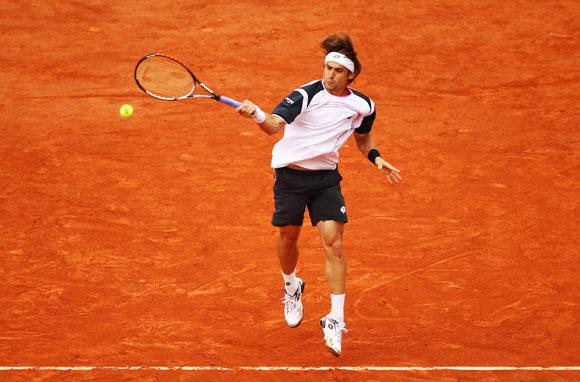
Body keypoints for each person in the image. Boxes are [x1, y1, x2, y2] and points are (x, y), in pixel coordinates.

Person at [237, 33, 402, 357]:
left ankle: (335, 320)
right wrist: (256, 113)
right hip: (289, 175)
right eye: (327, 68)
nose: (329, 74)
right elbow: (273, 126)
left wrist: (377, 158)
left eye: (337, 71)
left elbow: (363, 140)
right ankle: (292, 286)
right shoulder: (305, 95)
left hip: (326, 179)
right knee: (288, 235)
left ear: (350, 76)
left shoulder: (364, 106)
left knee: (334, 242)